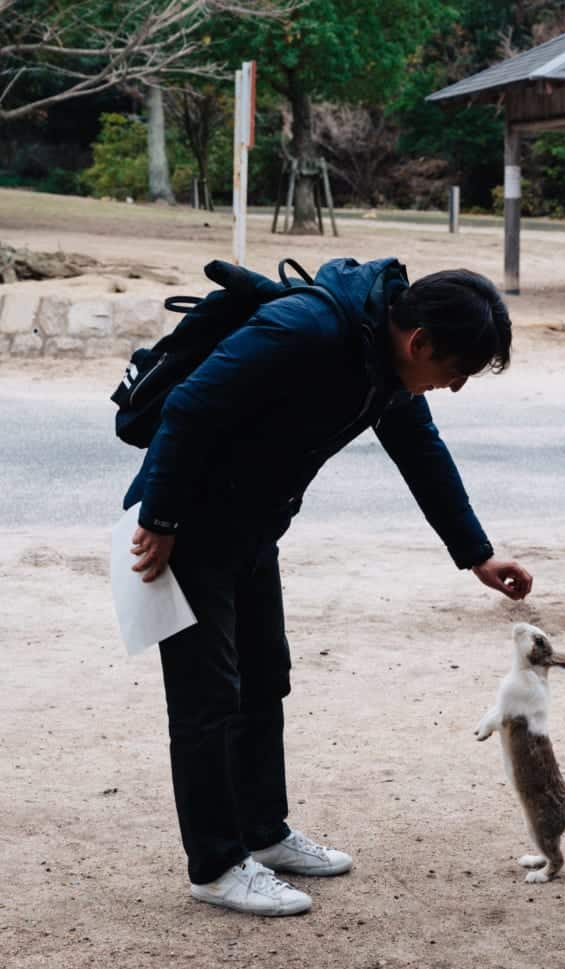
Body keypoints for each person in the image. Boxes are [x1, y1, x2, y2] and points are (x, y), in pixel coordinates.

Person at [123, 256, 533, 917]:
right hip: (187, 527)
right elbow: (190, 405)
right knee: (208, 699)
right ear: (420, 342)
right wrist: (162, 520)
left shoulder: (385, 364)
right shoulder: (307, 331)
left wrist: (476, 555)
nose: (453, 387)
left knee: (264, 679)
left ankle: (263, 833)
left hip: (252, 527)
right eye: (455, 371)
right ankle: (216, 866)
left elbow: (421, 451)